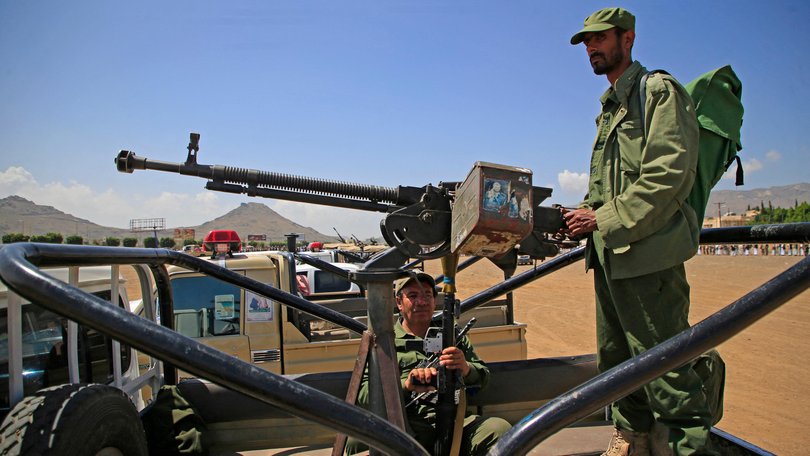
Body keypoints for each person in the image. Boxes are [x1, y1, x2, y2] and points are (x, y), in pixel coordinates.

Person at [564, 7, 715, 456]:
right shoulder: (609, 108)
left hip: (649, 255)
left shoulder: (658, 92)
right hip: (611, 254)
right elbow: (602, 187)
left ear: (627, 39)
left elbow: (668, 174)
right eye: (586, 42)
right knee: (616, 362)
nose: (591, 47)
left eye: (599, 39)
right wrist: (580, 217)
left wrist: (603, 219)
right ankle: (631, 438)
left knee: (666, 367)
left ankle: (689, 448)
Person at [346, 271, 510, 455]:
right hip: (404, 424)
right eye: (413, 296)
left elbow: (482, 377)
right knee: (357, 441)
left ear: (434, 300)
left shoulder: (452, 335)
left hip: (455, 423)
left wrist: (465, 368)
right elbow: (365, 395)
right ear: (399, 303)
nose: (422, 302)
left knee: (500, 430)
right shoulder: (384, 342)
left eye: (427, 295)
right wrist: (406, 385)